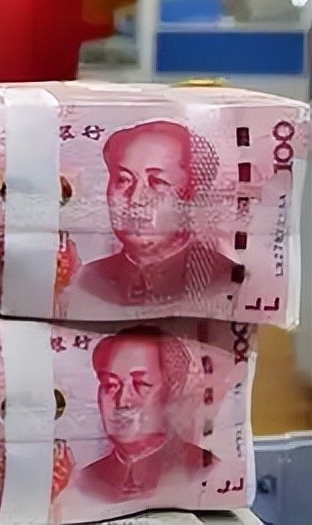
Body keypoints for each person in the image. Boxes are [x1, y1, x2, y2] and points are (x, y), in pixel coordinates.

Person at [77, 119, 240, 307]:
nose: (135, 199)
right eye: (123, 180)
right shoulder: (87, 280)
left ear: (193, 196)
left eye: (157, 182)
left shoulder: (226, 281)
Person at [76, 325, 217, 502]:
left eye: (141, 385)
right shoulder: (86, 481)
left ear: (172, 391)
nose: (122, 402)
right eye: (110, 385)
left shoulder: (205, 471)